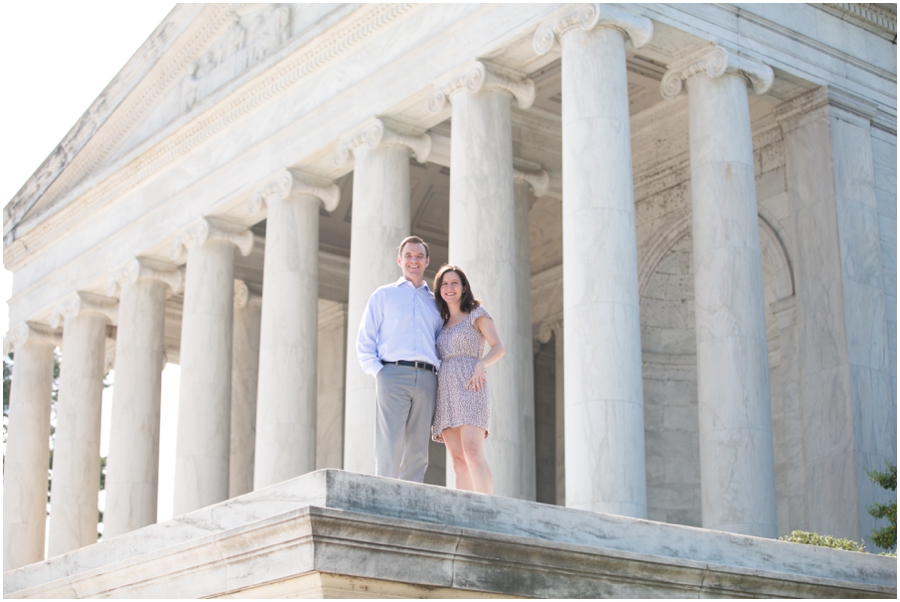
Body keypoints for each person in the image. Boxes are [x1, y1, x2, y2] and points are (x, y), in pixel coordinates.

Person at [356, 236, 443, 482]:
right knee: (390, 441)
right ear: (399, 260)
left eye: (418, 256)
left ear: (427, 261)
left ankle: (410, 499)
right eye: (408, 256)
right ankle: (384, 496)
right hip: (392, 374)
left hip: (428, 378)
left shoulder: (436, 302)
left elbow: (441, 340)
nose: (413, 260)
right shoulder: (383, 296)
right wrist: (379, 372)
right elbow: (365, 339)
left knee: (418, 447)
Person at [431, 265, 505, 494]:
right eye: (444, 283)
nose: (449, 287)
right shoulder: (440, 323)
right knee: (458, 461)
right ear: (439, 290)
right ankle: (463, 512)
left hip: (471, 384)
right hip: (446, 390)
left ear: (464, 288)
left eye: (454, 283)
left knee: (472, 452)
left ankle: (487, 507)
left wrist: (481, 364)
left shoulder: (477, 314)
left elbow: (499, 346)